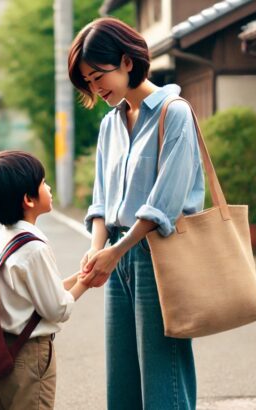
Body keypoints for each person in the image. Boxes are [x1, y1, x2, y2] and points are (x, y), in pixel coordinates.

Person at [67, 17, 205, 409]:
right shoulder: (110, 124)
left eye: (98, 76)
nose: (95, 88)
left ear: (127, 61)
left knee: (164, 381)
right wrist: (98, 250)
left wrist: (117, 249)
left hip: (157, 255)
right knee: (122, 383)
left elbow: (165, 203)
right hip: (117, 255)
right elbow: (101, 201)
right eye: (88, 82)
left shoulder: (174, 112)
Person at [0, 150, 89, 410]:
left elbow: (33, 295)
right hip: (29, 354)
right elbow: (57, 308)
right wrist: (87, 283)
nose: (48, 187)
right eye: (43, 183)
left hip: (2, 350)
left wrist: (78, 277)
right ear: (28, 199)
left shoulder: (3, 238)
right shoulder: (34, 248)